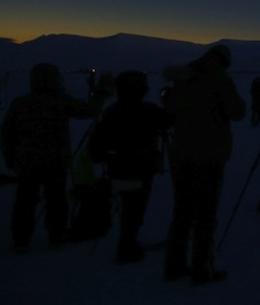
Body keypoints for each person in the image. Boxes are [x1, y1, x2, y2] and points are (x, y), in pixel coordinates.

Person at [162, 44, 246, 285]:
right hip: (209, 154)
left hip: (182, 154)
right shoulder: (220, 79)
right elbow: (237, 111)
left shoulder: (183, 78)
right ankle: (202, 269)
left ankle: (174, 265)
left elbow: (171, 111)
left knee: (182, 212)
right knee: (206, 214)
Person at [1, 63, 94, 251]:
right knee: (56, 199)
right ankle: (56, 235)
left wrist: (10, 158)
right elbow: (88, 112)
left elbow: (6, 134)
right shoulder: (61, 101)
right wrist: (100, 94)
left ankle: (21, 239)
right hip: (56, 161)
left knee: (25, 200)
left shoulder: (20, 103)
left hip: (27, 161)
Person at [88, 70, 173, 263]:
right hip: (142, 169)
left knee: (129, 206)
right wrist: (170, 102)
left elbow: (97, 143)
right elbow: (170, 120)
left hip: (117, 168)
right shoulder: (150, 110)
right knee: (134, 209)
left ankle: (127, 241)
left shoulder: (112, 111)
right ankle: (127, 246)